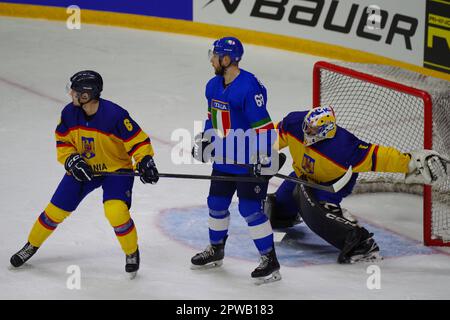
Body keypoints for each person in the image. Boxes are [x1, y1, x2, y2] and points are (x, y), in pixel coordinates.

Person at [10, 70, 159, 278]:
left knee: (115, 211)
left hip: (115, 170)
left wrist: (145, 161)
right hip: (84, 169)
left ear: (87, 95)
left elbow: (139, 142)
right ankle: (31, 245)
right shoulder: (69, 114)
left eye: (75, 91)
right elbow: (63, 144)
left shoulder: (115, 115)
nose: (71, 94)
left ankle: (131, 251)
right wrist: (72, 160)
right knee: (54, 211)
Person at [265, 106, 448, 263]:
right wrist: (261, 150)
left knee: (317, 214)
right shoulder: (295, 123)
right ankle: (288, 214)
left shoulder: (344, 148)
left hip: (331, 184)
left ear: (326, 130)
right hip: (302, 174)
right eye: (307, 127)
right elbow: (275, 136)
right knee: (277, 210)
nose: (307, 132)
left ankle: (360, 242)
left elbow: (379, 156)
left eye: (312, 131)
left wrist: (408, 162)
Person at [191, 37, 281, 284]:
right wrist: (206, 140)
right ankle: (216, 249)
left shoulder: (249, 88)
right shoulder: (212, 85)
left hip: (248, 161)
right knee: (216, 204)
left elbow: (264, 127)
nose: (211, 59)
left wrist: (263, 158)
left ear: (227, 59)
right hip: (223, 159)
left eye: (215, 55)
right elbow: (213, 118)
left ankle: (269, 260)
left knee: (250, 209)